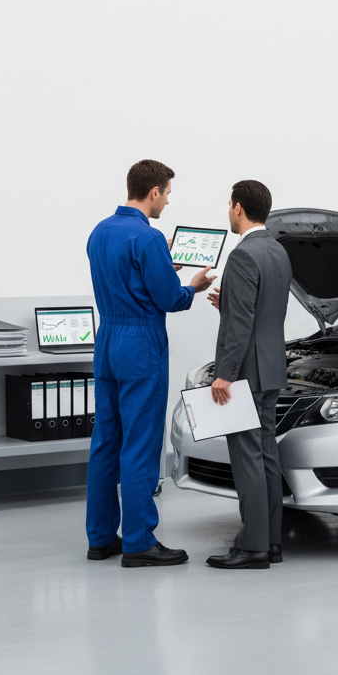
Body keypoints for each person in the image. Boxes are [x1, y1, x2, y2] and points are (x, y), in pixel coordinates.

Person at [86, 160, 216, 566]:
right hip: (140, 343)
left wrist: (162, 270)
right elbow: (169, 300)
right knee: (141, 444)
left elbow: (127, 279)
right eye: (168, 193)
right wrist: (192, 286)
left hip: (107, 339)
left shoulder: (100, 231)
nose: (167, 202)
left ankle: (101, 538)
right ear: (155, 191)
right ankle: (139, 541)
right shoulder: (149, 237)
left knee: (106, 441)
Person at [205, 179, 292, 569]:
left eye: (229, 205)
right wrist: (227, 303)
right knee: (267, 453)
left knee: (247, 459)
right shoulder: (278, 251)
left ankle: (252, 546)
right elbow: (261, 312)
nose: (228, 211)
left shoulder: (242, 256)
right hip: (272, 365)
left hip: (246, 373)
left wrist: (224, 374)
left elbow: (241, 323)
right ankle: (271, 541)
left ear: (238, 207)